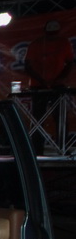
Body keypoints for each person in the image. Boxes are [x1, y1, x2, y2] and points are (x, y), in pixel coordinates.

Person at [23, 19, 75, 154]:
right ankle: (37, 150)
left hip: (57, 85)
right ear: (45, 31)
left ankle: (62, 148)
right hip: (38, 85)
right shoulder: (36, 44)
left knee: (60, 117)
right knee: (38, 118)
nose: (52, 37)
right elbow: (27, 65)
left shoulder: (64, 42)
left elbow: (69, 62)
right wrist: (42, 81)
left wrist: (59, 79)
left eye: (54, 33)